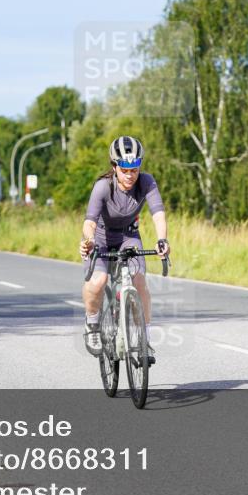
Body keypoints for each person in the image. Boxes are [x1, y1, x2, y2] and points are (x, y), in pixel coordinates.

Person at [79, 136, 169, 362]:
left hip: (128, 236)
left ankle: (144, 338)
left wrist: (162, 240)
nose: (130, 175)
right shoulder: (103, 187)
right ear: (114, 167)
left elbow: (158, 213)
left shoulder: (147, 182)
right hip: (100, 238)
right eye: (125, 170)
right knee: (98, 281)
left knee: (139, 281)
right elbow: (89, 222)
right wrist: (88, 241)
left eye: (135, 170)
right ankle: (92, 324)